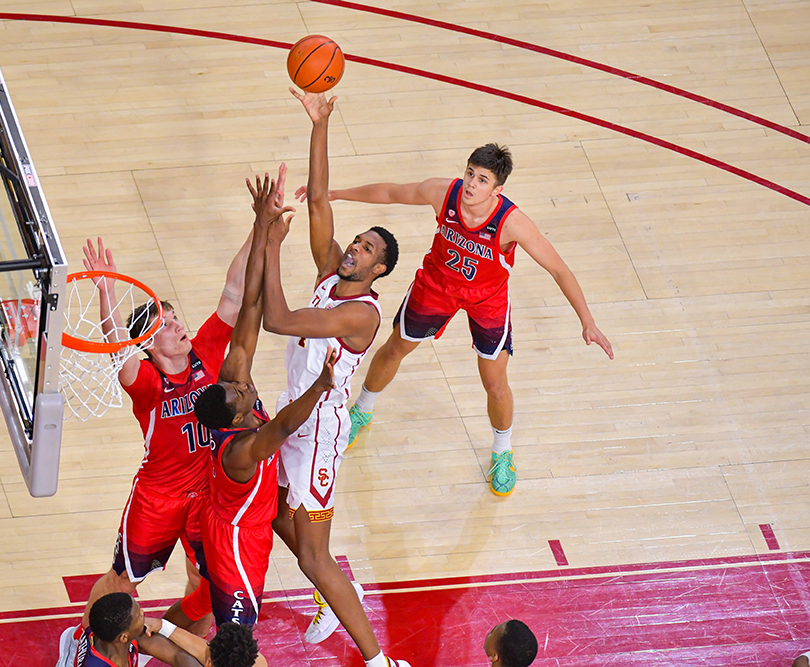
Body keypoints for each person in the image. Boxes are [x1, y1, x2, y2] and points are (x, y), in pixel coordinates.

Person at [303, 143, 613, 497]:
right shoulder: (443, 192)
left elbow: (559, 269)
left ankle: (502, 451)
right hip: (436, 286)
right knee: (394, 349)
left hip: (487, 300)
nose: (470, 184)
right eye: (470, 174)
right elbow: (393, 193)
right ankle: (362, 411)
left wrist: (587, 320)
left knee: (495, 383)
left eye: (482, 180)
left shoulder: (512, 223)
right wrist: (339, 194)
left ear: (497, 190)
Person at [261, 88, 408, 666]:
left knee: (313, 559)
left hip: (320, 429)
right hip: (293, 405)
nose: (354, 247)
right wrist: (319, 123)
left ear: (379, 271)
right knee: (276, 516)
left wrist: (269, 246)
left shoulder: (359, 313)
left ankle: (378, 661)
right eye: (357, 240)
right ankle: (335, 592)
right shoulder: (330, 271)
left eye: (367, 249)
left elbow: (277, 319)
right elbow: (319, 198)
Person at [70, 223, 260, 645]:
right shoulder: (148, 385)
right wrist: (105, 291)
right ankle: (84, 640)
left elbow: (233, 289)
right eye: (167, 326)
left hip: (205, 494)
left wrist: (258, 227)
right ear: (150, 346)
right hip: (158, 499)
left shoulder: (205, 352)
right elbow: (120, 349)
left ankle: (185, 647)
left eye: (176, 319)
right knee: (123, 582)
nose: (178, 327)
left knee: (208, 586)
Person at [190, 169, 341, 629]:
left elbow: (251, 304)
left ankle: (158, 632)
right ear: (234, 419)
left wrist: (264, 229)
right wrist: (319, 386)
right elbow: (280, 428)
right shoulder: (240, 451)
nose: (247, 386)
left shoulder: (230, 382)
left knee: (206, 608)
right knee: (238, 634)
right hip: (237, 535)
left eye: (237, 384)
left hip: (243, 514)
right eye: (241, 394)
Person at [73, 592, 201, 667]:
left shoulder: (117, 633)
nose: (144, 613)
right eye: (139, 616)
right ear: (124, 637)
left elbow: (177, 656)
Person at [145, 612, 268, 667]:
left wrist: (134, 624)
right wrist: (163, 626)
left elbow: (178, 656)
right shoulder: (259, 663)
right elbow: (199, 648)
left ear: (208, 664)